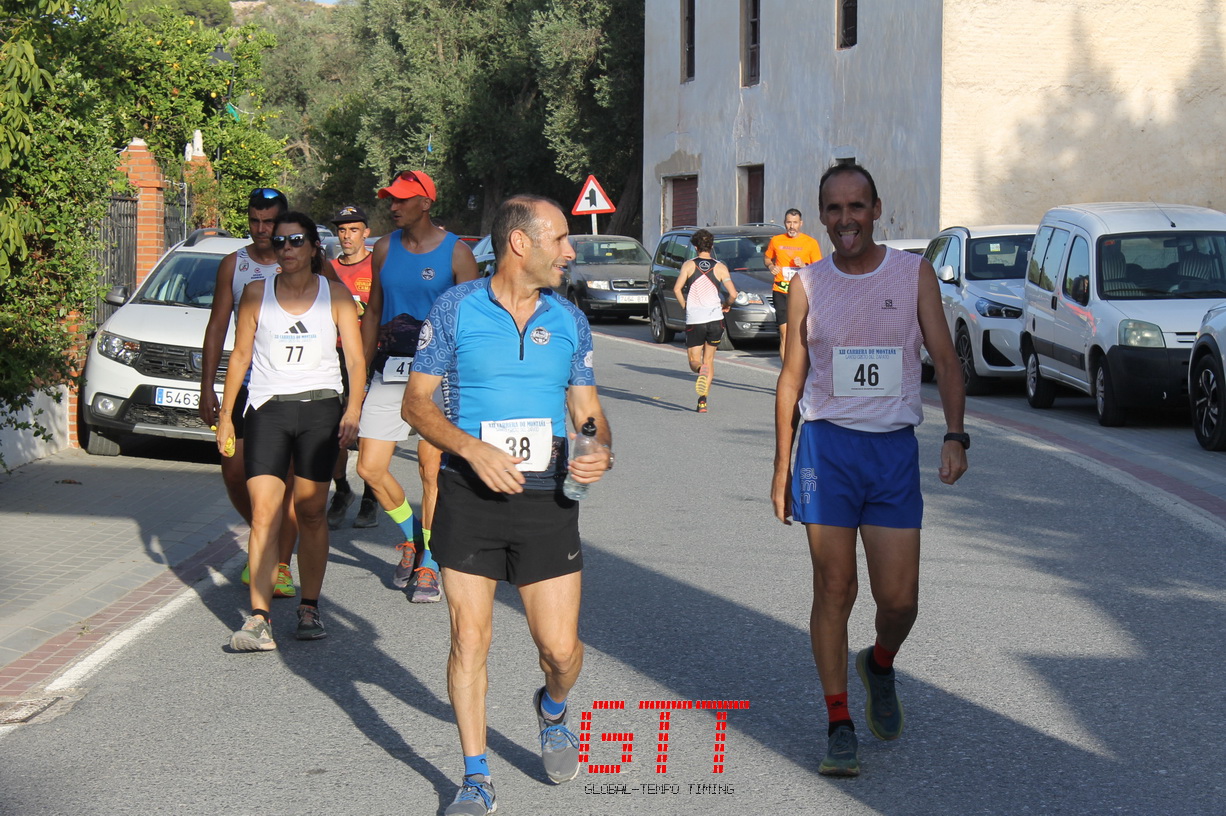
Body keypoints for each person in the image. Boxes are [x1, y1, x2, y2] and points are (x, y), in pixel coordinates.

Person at [404, 195, 613, 816]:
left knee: (560, 650)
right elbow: (417, 405)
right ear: (521, 244)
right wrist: (472, 449)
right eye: (561, 240)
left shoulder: (569, 322)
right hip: (470, 494)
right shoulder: (456, 310)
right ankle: (474, 777)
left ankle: (551, 707)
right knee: (470, 637)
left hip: (547, 495)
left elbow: (588, 412)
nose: (570, 252)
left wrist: (598, 447)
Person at [771, 164, 968, 777]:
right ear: (822, 214)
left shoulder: (912, 274)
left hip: (890, 453)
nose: (846, 219)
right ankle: (838, 722)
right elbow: (791, 379)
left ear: (876, 209)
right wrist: (782, 466)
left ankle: (878, 664)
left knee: (899, 600)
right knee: (834, 588)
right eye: (834, 209)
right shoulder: (807, 283)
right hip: (827, 450)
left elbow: (945, 358)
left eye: (857, 206)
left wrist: (956, 436)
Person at [217, 212, 366, 651]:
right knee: (266, 513)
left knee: (312, 510)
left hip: (320, 409)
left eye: (296, 240)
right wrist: (227, 414)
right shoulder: (255, 294)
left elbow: (355, 361)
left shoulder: (335, 295)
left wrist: (352, 411)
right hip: (267, 409)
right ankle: (259, 618)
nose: (287, 248)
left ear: (313, 247)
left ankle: (309, 606)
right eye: (280, 242)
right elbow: (240, 356)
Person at [356, 170, 478, 603]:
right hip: (388, 371)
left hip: (437, 378)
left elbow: (473, 325)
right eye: (391, 199)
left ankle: (428, 565)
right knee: (369, 468)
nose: (393, 206)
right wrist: (359, 374)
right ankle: (414, 535)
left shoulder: (458, 254)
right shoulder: (384, 248)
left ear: (426, 202)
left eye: (403, 199)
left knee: (431, 472)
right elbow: (372, 313)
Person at [199, 188, 300, 598]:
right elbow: (217, 326)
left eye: (269, 223)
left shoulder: (300, 261)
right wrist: (208, 387)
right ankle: (265, 531)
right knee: (234, 469)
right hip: (246, 384)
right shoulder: (234, 265)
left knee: (288, 483)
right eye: (254, 221)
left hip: (291, 386)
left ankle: (279, 563)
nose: (261, 230)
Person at [324, 205, 381, 530]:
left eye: (354, 230)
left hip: (370, 358)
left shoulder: (378, 266)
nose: (347, 236)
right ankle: (343, 490)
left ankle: (371, 497)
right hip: (334, 359)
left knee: (370, 430)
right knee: (334, 431)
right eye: (342, 230)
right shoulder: (329, 270)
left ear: (366, 233)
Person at [671, 229, 738, 413]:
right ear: (712, 246)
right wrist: (726, 304)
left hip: (695, 319)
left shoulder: (688, 265)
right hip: (716, 319)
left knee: (695, 360)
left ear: (695, 247)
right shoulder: (720, 267)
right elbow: (733, 293)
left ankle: (700, 369)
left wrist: (686, 306)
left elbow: (677, 289)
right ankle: (702, 401)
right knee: (710, 360)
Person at [765, 208, 823, 362]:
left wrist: (804, 265)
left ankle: (801, 368)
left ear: (801, 224)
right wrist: (771, 267)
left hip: (801, 293)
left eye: (795, 223)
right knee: (785, 333)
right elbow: (767, 258)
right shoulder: (776, 240)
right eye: (789, 222)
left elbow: (818, 269)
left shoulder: (810, 243)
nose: (792, 226)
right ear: (785, 223)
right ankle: (786, 372)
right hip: (781, 290)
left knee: (800, 333)